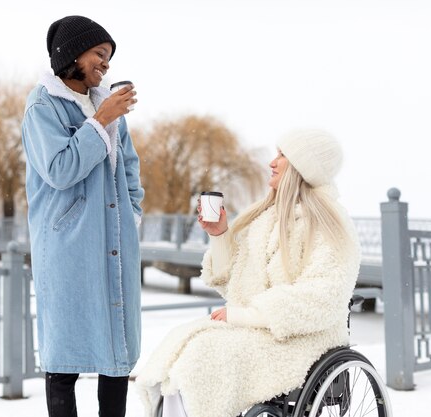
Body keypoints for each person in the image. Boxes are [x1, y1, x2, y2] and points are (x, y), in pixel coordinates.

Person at [135, 129, 361, 417]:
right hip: (263, 334)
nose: (272, 162)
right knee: (184, 353)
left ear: (303, 167)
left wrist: (248, 315)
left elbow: (323, 296)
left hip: (304, 340)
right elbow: (238, 284)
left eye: (282, 156)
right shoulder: (267, 219)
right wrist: (219, 236)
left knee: (204, 357)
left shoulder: (332, 225)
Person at [21, 15, 144, 417]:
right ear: (72, 53)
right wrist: (100, 120)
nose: (106, 64)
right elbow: (59, 170)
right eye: (99, 54)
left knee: (117, 351)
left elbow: (128, 167)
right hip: (67, 245)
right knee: (64, 357)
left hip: (113, 241)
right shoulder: (42, 106)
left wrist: (133, 215)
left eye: (108, 57)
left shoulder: (105, 106)